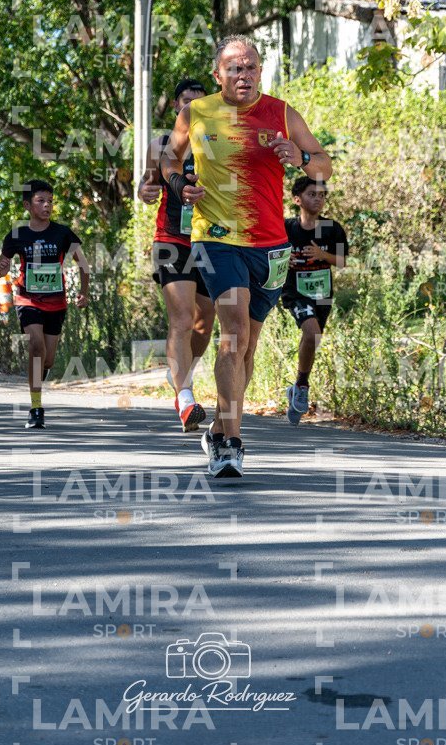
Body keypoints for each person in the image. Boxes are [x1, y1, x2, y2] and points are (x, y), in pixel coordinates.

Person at [162, 35, 332, 477]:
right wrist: (179, 185)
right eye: (235, 68)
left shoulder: (282, 113)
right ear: (218, 75)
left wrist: (301, 156)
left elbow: (323, 165)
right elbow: (169, 159)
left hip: (270, 245)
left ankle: (220, 426)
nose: (244, 75)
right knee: (234, 333)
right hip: (216, 238)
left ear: (260, 71)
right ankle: (231, 445)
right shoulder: (195, 113)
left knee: (248, 346)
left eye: (251, 67)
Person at [138, 77, 214, 432]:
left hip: (212, 240)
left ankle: (181, 374)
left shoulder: (218, 141)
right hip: (172, 240)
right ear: (175, 105)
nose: (192, 107)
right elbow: (147, 184)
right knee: (182, 318)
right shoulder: (161, 145)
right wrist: (145, 191)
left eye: (199, 102)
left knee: (204, 323)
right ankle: (185, 398)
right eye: (186, 101)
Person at [0, 180, 90, 428]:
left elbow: (83, 264)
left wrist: (84, 293)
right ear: (27, 205)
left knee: (47, 360)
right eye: (41, 201)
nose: (47, 205)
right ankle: (36, 408)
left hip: (56, 303)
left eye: (50, 201)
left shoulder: (63, 233)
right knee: (36, 346)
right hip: (27, 299)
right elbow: (0, 266)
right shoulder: (17, 234)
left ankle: (39, 373)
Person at [281, 177, 349, 424]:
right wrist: (283, 257)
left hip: (322, 293)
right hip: (295, 292)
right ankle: (302, 386)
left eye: (321, 195)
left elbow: (343, 261)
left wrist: (322, 254)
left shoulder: (331, 229)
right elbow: (267, 251)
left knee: (314, 338)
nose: (318, 199)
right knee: (311, 333)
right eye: (312, 194)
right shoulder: (286, 228)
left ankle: (298, 386)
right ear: (297, 199)